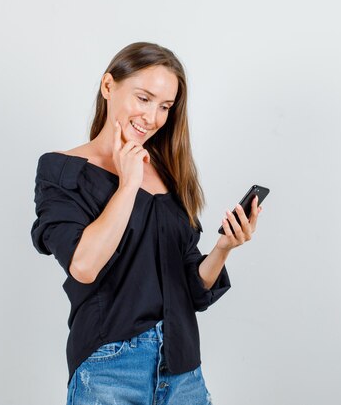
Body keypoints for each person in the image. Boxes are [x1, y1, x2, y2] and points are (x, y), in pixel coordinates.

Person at [30, 42, 262, 405]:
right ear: (109, 86)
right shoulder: (61, 170)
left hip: (183, 369)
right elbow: (84, 266)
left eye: (165, 107)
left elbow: (191, 287)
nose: (152, 117)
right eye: (143, 98)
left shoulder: (170, 173)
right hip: (110, 369)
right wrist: (128, 184)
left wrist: (223, 248)